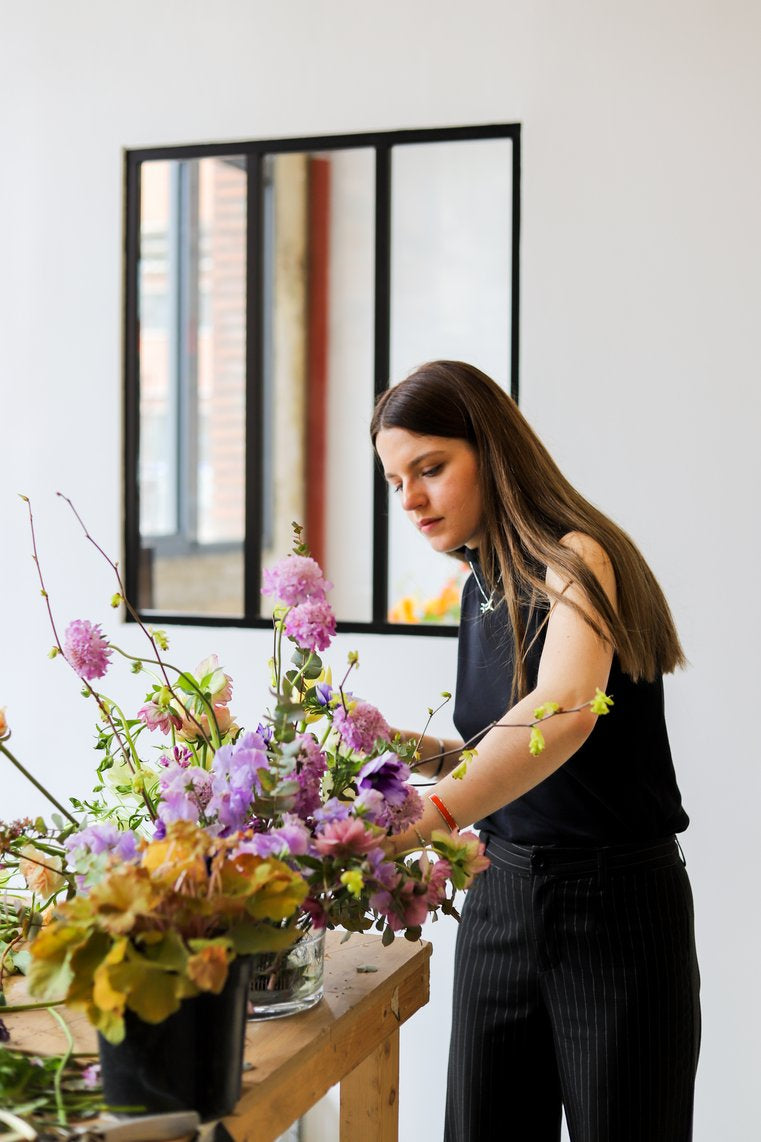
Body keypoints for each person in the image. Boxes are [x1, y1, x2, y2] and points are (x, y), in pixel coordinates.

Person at [371, 361, 700, 1142]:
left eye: (430, 468)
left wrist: (428, 818)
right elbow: (520, 762)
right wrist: (416, 754)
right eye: (394, 482)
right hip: (501, 897)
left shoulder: (576, 558)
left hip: (616, 913)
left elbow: (564, 713)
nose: (410, 499)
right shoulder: (478, 583)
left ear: (492, 449)